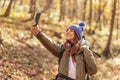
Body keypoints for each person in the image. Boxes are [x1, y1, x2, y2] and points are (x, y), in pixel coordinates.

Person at [31, 21, 97, 80]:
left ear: (77, 35)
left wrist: (86, 50)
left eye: (71, 30)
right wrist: (38, 33)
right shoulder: (63, 49)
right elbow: (50, 44)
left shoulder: (84, 51)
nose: (68, 32)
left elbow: (93, 70)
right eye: (67, 30)